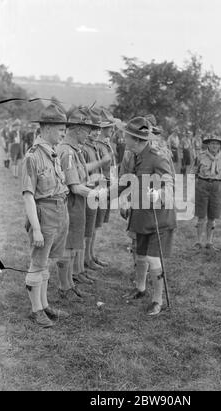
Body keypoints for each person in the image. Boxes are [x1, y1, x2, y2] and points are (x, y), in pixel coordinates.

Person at [118, 117, 177, 316]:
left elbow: (169, 183)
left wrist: (159, 194)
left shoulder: (157, 156)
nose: (124, 138)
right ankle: (141, 288)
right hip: (141, 214)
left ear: (136, 139)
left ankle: (157, 301)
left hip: (158, 217)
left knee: (153, 258)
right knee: (139, 253)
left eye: (127, 135)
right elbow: (125, 182)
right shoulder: (135, 155)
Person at [21, 103, 70, 328]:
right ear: (48, 127)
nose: (63, 133)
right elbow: (28, 195)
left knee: (46, 263)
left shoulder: (52, 153)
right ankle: (35, 310)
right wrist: (37, 228)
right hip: (44, 214)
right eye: (61, 129)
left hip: (58, 210)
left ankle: (44, 305)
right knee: (37, 263)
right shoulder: (33, 156)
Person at [56, 106, 98, 297]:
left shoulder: (75, 151)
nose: (89, 134)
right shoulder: (68, 152)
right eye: (87, 130)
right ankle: (64, 287)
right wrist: (100, 194)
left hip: (77, 204)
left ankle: (69, 283)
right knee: (68, 247)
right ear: (78, 129)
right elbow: (75, 187)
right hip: (70, 204)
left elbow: (81, 181)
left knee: (73, 246)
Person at [81, 108, 112, 273]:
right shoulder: (84, 148)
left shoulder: (93, 146)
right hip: (89, 192)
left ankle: (90, 255)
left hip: (99, 189)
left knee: (95, 226)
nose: (96, 133)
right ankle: (86, 258)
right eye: (93, 129)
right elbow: (84, 171)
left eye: (98, 129)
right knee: (89, 228)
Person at [194, 134, 221, 250]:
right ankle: (199, 241)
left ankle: (209, 242)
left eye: (217, 143)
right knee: (201, 215)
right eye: (212, 143)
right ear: (208, 144)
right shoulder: (200, 156)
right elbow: (193, 173)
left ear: (220, 145)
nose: (215, 146)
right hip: (202, 185)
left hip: (217, 186)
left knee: (212, 216)